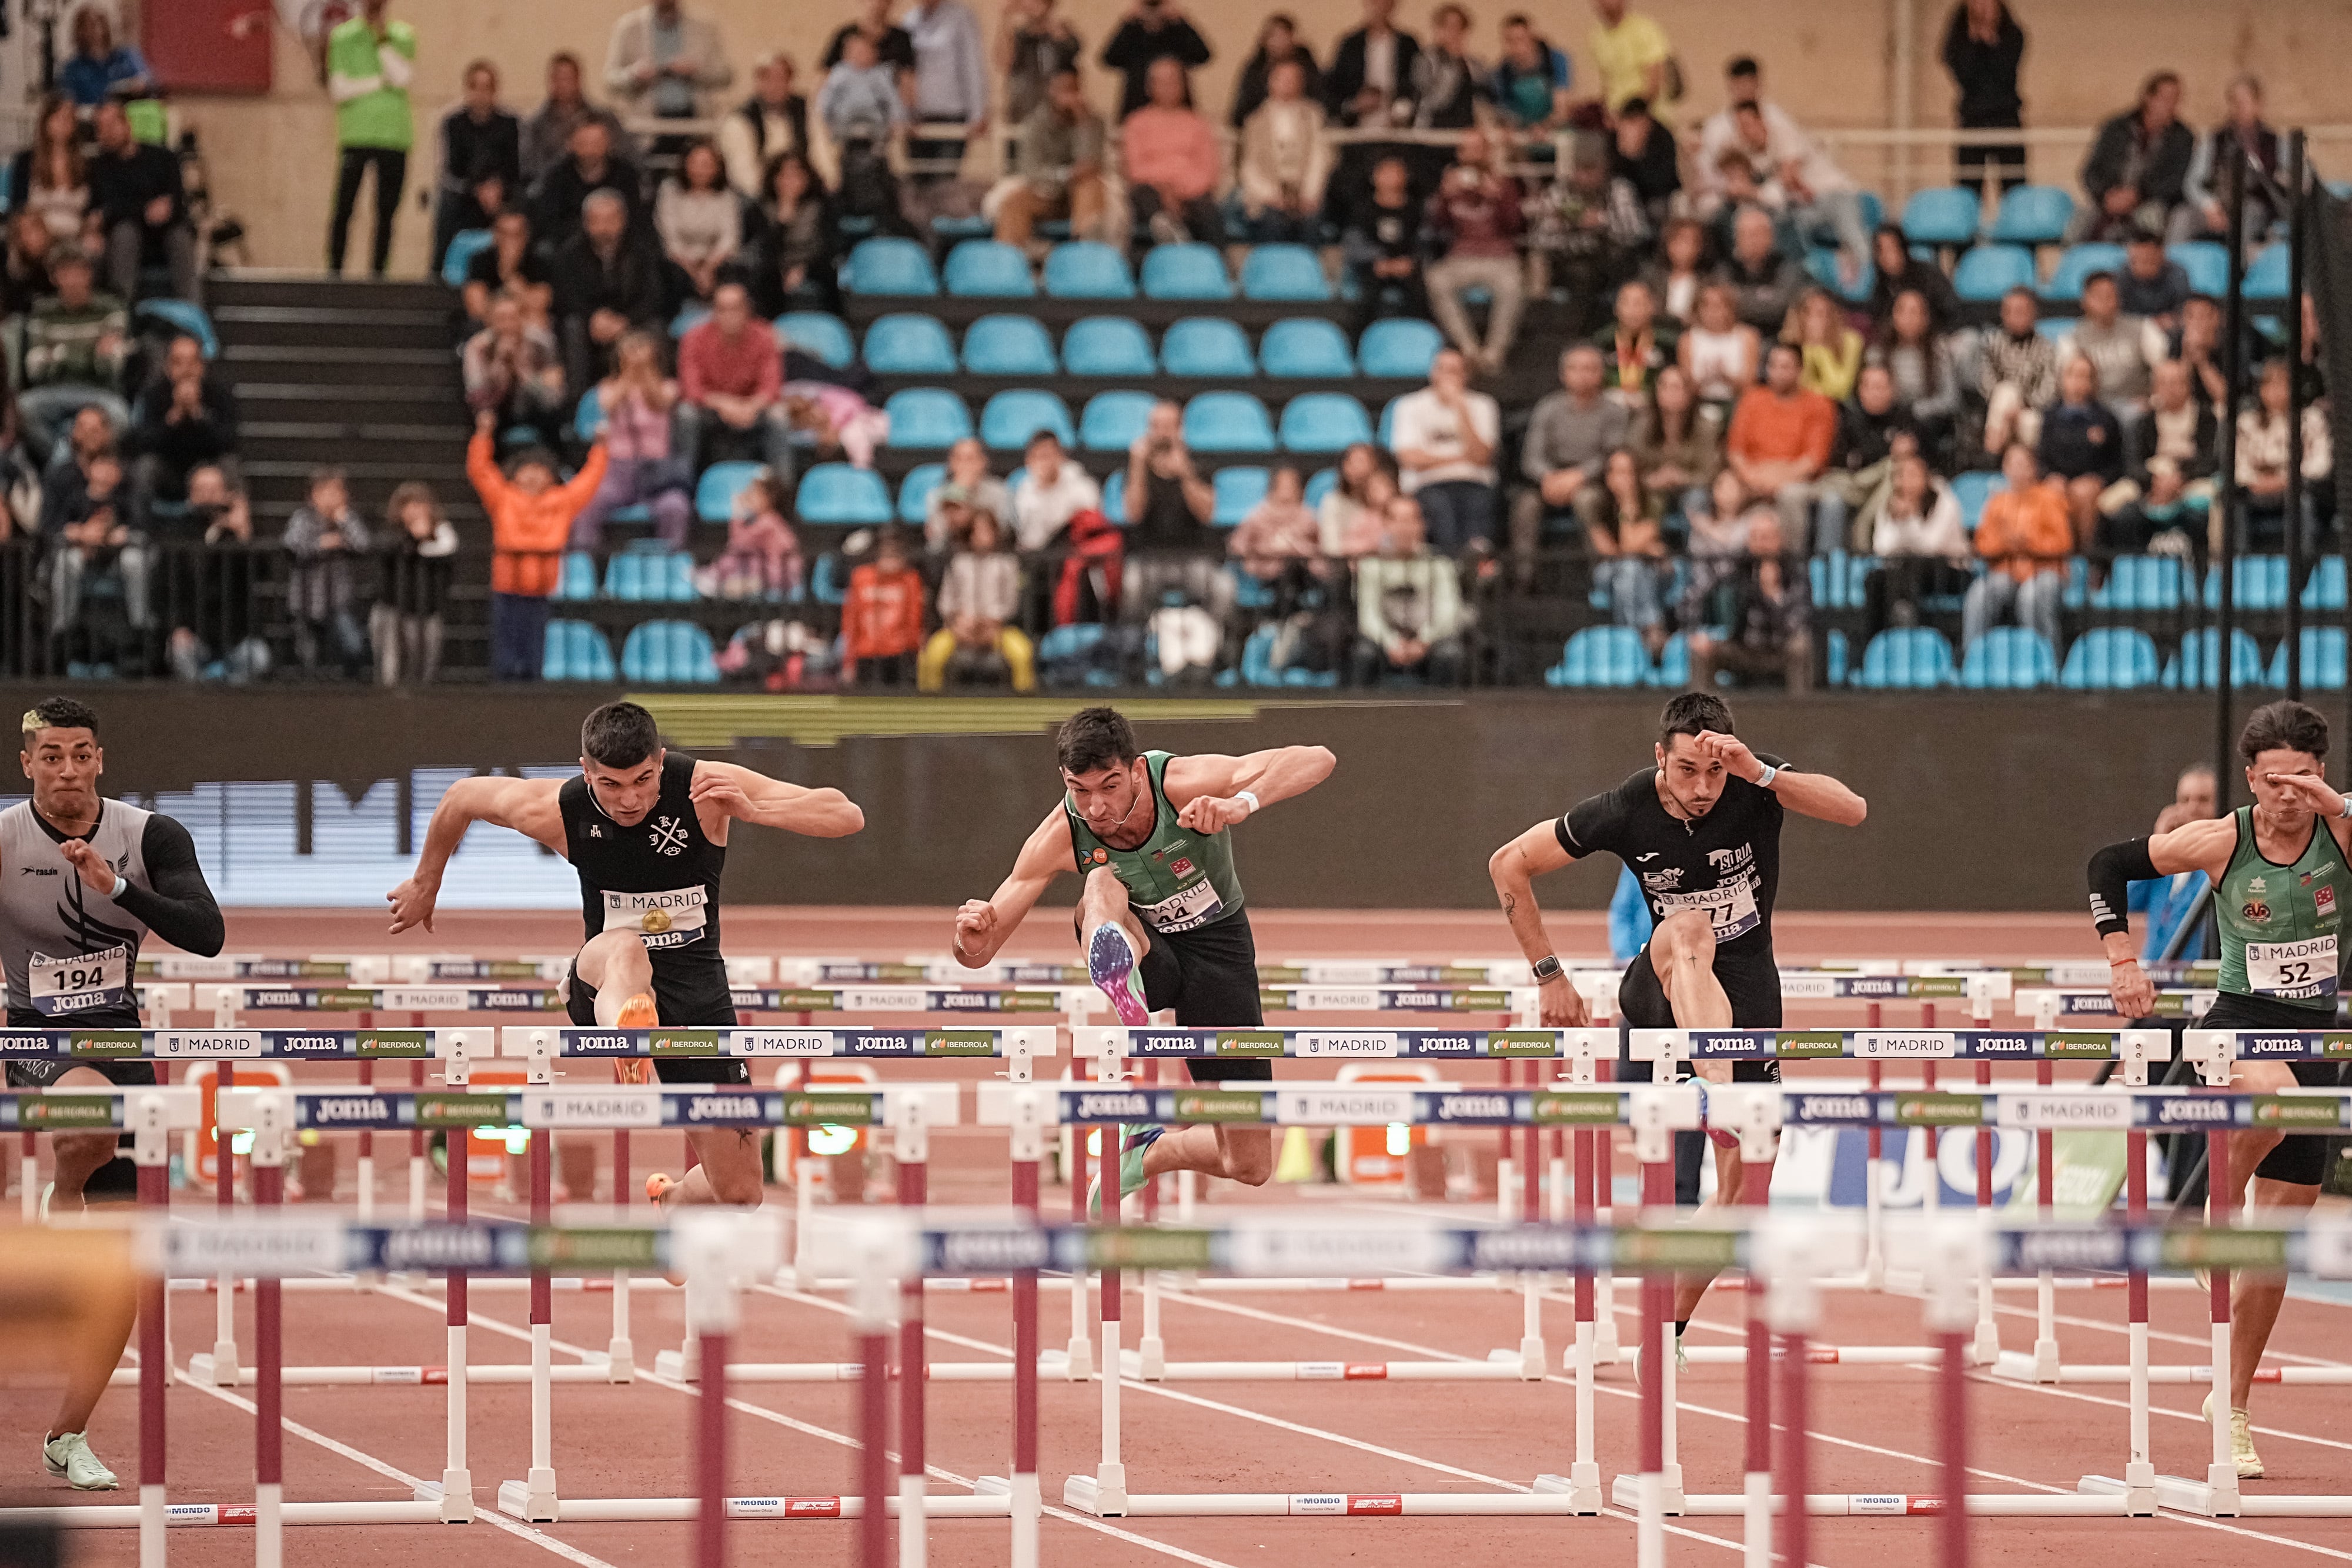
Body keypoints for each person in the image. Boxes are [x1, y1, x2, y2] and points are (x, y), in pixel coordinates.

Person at [1487, 690, 1867, 1371]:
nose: (1701, 788)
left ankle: (1668, 1330)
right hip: (1659, 983)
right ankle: (1712, 1086)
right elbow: (1507, 862)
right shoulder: (1624, 808)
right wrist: (1550, 975)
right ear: (1659, 757)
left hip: (1749, 988)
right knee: (1687, 928)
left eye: (1713, 774)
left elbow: (1853, 810)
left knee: (1745, 1202)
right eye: (1687, 771)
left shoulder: (1753, 781)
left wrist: (1760, 773)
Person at [390, 699, 862, 1206]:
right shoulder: (558, 809)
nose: (629, 800)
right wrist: (425, 881)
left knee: (742, 1189)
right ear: (586, 772)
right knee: (627, 948)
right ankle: (627, 1035)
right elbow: (462, 796)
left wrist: (756, 810)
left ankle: (672, 1199)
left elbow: (845, 814)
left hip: (696, 996)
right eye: (611, 785)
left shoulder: (704, 788)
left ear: (660, 760)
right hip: (603, 983)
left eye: (643, 780)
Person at [2091, 700, 2352, 1479]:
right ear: (2250, 777)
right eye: (2274, 779)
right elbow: (2107, 865)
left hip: (2318, 1036)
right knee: (2267, 1098)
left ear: (2322, 773)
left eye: (2302, 778)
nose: (2286, 795)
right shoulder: (2222, 837)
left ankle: (2233, 1405)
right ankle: (2208, 1225)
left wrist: (2335, 805)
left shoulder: (2340, 830)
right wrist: (2121, 960)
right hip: (2237, 1024)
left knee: (2270, 1248)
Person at [954, 707, 1334, 1203]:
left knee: (1248, 1162)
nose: (1095, 807)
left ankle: (1150, 1153)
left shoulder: (1179, 783)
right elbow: (979, 951)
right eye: (1079, 789)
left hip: (1219, 949)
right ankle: (1119, 972)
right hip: (1145, 951)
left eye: (1109, 786)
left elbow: (1316, 758)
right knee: (1100, 880)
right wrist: (970, 933)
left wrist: (1242, 803)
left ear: (1135, 770)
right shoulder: (1062, 833)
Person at [5, 696, 226, 1493]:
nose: (68, 769)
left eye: (81, 754)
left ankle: (69, 1432)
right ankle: (63, 1190)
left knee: (131, 1267)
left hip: (124, 1037)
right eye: (52, 755)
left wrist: (118, 885)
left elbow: (208, 932)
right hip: (36, 1036)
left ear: (101, 759)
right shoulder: (4, 838)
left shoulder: (150, 834)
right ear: (27, 761)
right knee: (90, 1116)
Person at [469, 408, 608, 679]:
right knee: (504, 655)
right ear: (515, 475)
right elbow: (480, 471)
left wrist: (601, 448)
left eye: (540, 471)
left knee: (534, 655)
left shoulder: (561, 502)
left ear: (551, 476)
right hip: (507, 586)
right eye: (526, 470)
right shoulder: (503, 497)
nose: (533, 476)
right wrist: (483, 435)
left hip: (540, 589)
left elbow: (589, 482)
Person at [1514, 343, 1630, 584]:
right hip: (1552, 479)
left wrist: (1579, 476)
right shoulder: (1548, 408)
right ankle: (1524, 577)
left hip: (1596, 481)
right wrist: (1549, 478)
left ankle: (1602, 576)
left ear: (1601, 374)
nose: (1582, 375)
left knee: (1586, 500)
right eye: (1575, 369)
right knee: (1526, 504)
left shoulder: (1614, 411)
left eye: (1589, 369)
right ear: (1563, 374)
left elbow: (1612, 456)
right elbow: (1532, 457)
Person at [574, 330, 692, 550]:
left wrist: (646, 371)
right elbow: (608, 404)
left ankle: (668, 565)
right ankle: (585, 566)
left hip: (657, 471)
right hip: (617, 469)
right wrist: (628, 374)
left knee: (676, 507)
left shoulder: (669, 386)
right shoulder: (608, 387)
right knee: (589, 503)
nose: (636, 354)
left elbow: (661, 401)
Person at [325, 0, 416, 279]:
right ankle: (335, 270)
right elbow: (339, 89)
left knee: (386, 211)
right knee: (344, 207)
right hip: (357, 135)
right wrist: (378, 83)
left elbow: (401, 78)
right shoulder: (341, 37)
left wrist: (381, 40)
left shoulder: (403, 35)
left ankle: (379, 272)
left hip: (394, 136)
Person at [1422, 129, 1525, 375]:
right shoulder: (1451, 182)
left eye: (1478, 149)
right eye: (1467, 149)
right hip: (1461, 257)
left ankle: (1493, 353)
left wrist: (1497, 197)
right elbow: (1437, 227)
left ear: (1487, 153)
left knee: (1513, 287)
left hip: (1500, 257)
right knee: (1436, 280)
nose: (1472, 155)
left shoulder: (1504, 183)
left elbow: (1516, 226)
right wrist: (1444, 198)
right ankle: (1468, 349)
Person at [18, 247, 131, 469]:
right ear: (54, 277)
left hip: (99, 391)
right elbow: (35, 368)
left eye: (79, 271)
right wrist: (91, 353)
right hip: (54, 389)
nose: (73, 279)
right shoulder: (42, 311)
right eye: (65, 272)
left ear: (90, 274)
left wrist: (58, 354)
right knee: (22, 409)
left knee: (121, 416)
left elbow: (112, 365)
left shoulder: (111, 308)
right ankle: (65, 464)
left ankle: (80, 464)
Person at [1523, 134, 1649, 326]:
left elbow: (1637, 232)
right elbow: (1538, 240)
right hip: (1569, 261)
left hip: (1610, 260)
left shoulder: (1618, 190)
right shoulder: (1559, 192)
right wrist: (1562, 225)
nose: (1584, 177)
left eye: (1590, 169)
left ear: (1604, 168)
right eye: (1579, 169)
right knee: (1568, 273)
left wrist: (1602, 221)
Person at [2096, 356, 2216, 557]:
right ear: (2155, 387)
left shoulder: (2207, 419)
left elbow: (2212, 460)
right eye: (2165, 383)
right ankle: (2104, 568)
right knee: (2107, 503)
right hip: (2150, 481)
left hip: (2192, 480)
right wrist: (2155, 481)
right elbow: (2133, 463)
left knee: (2220, 505)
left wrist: (2180, 478)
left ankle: (2215, 566)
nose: (2171, 389)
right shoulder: (2142, 422)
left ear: (2188, 386)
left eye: (2177, 383)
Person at [550, 189, 665, 396]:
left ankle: (654, 402)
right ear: (586, 223)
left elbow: (653, 296)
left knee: (655, 328)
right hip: (589, 323)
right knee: (572, 326)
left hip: (631, 320)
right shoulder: (569, 255)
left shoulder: (642, 252)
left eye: (611, 220)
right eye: (597, 221)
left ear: (623, 220)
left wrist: (626, 321)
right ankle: (578, 405)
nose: (604, 227)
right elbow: (565, 297)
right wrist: (593, 318)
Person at [1389, 345, 1502, 557]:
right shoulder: (1409, 405)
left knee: (1480, 505)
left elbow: (1481, 457)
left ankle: (1475, 568)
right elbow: (1409, 458)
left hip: (1474, 483)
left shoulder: (1483, 405)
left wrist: (1461, 409)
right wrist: (1460, 457)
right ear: (1433, 372)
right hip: (1427, 484)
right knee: (1440, 509)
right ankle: (1450, 569)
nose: (1447, 376)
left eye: (1455, 370)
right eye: (1442, 369)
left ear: (1466, 375)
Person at [674, 282, 793, 482]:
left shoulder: (765, 336)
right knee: (686, 413)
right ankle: (682, 486)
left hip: (752, 408)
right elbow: (691, 388)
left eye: (735, 309)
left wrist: (749, 406)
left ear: (747, 310)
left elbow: (771, 387)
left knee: (779, 415)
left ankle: (782, 491)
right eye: (722, 310)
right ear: (714, 312)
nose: (729, 316)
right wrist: (725, 404)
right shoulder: (693, 338)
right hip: (711, 409)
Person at [1725, 341, 1835, 554]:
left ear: (1800, 370)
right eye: (1773, 366)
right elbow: (1736, 452)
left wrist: (1776, 480)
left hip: (1800, 483)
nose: (1778, 373)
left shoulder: (1819, 404)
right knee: (1726, 491)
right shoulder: (1752, 400)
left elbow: (1813, 460)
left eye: (1786, 367)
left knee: (1790, 495)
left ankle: (1792, 564)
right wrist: (1753, 477)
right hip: (1754, 480)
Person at [1962, 442, 2070, 654]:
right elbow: (1983, 544)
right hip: (2006, 570)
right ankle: (1971, 660)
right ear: (2004, 469)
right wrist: (2006, 543)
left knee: (2031, 596)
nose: (2017, 469)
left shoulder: (2050, 497)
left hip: (2045, 570)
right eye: (2012, 463)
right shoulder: (1997, 502)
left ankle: (2045, 660)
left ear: (2033, 468)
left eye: (2023, 464)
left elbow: (2063, 543)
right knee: (1979, 593)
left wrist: (2028, 542)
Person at [87, 101, 198, 307]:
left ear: (127, 124)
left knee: (181, 237)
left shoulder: (163, 158)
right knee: (124, 234)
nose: (107, 133)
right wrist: (145, 211)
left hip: (166, 230)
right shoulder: (100, 167)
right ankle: (121, 314)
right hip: (124, 235)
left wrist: (139, 210)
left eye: (111, 125)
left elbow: (177, 203)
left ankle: (193, 317)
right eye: (101, 128)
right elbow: (107, 211)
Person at [1352, 494, 1466, 684]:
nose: (1404, 528)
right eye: (1397, 520)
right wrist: (1391, 643)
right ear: (1386, 525)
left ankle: (1446, 712)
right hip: (1387, 644)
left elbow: (1448, 613)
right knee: (1364, 654)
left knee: (1451, 654)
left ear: (1422, 525)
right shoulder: (1371, 566)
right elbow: (1369, 616)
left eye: (1411, 520)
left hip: (1429, 642)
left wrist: (1423, 641)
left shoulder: (1440, 565)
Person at [129, 334, 238, 529]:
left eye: (192, 362)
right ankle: (141, 536)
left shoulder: (219, 393)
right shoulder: (154, 394)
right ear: (168, 367)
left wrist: (199, 415)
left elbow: (228, 441)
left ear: (202, 366)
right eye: (179, 363)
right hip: (170, 469)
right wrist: (174, 418)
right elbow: (143, 443)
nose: (186, 370)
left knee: (231, 467)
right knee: (145, 469)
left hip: (208, 465)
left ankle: (238, 533)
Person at [995, 66, 1109, 250]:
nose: (1068, 96)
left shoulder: (1093, 123)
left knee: (1089, 186)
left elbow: (1090, 164)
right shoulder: (1035, 124)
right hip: (1047, 193)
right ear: (1051, 90)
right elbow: (1032, 171)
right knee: (1014, 202)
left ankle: (1086, 254)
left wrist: (1082, 121)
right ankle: (1009, 262)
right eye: (1062, 89)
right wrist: (1067, 174)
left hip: (1080, 196)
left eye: (1073, 89)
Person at [1862, 448, 1970, 640]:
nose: (1907, 481)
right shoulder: (1890, 503)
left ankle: (1911, 637)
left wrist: (1910, 520)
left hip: (1949, 571)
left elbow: (1932, 547)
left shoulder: (1945, 500)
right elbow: (1882, 547)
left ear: (1927, 477)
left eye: (1913, 474)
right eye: (1902, 475)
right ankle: (1874, 647)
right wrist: (1898, 520)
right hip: (1905, 570)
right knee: (1874, 579)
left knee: (1913, 569)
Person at [921, 510, 1035, 690]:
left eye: (986, 530)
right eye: (977, 531)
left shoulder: (1007, 564)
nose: (981, 536)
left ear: (995, 533)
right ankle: (928, 704)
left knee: (1022, 653)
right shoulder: (959, 562)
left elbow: (1011, 604)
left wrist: (992, 622)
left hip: (998, 629)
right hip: (960, 628)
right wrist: (958, 622)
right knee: (933, 654)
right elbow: (946, 601)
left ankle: (1025, 703)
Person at [2076, 71, 2194, 243]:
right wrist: (2106, 195)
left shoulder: (2183, 137)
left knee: (2152, 219)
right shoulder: (2115, 129)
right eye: (2166, 99)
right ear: (2148, 98)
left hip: (2151, 203)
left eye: (2176, 100)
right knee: (2079, 223)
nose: (2172, 106)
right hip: (2108, 199)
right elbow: (2091, 172)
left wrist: (2138, 195)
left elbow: (2175, 181)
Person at [1816, 362, 1919, 553]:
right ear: (1860, 390)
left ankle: (1864, 536)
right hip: (1852, 485)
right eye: (1869, 387)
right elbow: (1842, 462)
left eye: (1881, 387)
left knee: (1895, 468)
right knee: (1832, 502)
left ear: (1892, 389)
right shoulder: (1849, 417)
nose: (1875, 393)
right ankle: (1828, 568)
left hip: (1887, 489)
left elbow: (1923, 458)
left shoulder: (1905, 417)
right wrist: (1889, 450)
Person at [433, 60, 523, 274]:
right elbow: (449, 171)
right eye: (476, 87)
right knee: (447, 202)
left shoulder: (511, 124)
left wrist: (498, 189)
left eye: (487, 88)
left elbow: (516, 167)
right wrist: (477, 189)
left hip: (504, 194)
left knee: (523, 204)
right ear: (468, 89)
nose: (481, 94)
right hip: (464, 193)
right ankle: (440, 273)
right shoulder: (453, 124)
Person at [1122, 58, 1222, 246]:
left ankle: (1217, 268)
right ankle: (1168, 234)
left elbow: (1209, 171)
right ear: (1149, 87)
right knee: (1143, 195)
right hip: (1152, 192)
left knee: (1209, 210)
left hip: (1191, 194)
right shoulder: (1136, 123)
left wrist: (1180, 191)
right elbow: (1135, 170)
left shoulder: (1198, 124)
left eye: (1173, 81)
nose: (1168, 88)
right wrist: (1165, 188)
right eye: (1161, 82)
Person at [2234, 357, 2331, 554]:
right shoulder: (2246, 423)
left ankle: (2304, 561)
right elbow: (2238, 466)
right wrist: (2256, 481)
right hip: (2257, 489)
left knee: (2304, 501)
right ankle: (2239, 561)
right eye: (2270, 384)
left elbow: (2321, 464)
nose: (2276, 391)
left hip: (2299, 488)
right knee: (2231, 502)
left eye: (2283, 383)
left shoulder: (2312, 419)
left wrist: (2287, 480)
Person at [283, 467, 373, 678]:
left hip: (337, 602)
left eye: (336, 492)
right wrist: (321, 544)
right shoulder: (302, 518)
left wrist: (345, 519)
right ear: (312, 495)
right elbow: (291, 544)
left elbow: (364, 544)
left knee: (354, 646)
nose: (330, 498)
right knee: (308, 658)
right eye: (324, 492)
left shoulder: (348, 519)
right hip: (305, 601)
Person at [2178, 75, 2282, 248]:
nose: (2240, 107)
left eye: (2245, 101)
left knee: (2249, 214)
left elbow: (2288, 180)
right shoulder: (2213, 140)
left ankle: (2239, 271)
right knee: (2182, 217)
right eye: (2235, 101)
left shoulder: (2277, 142)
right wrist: (2210, 207)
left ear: (2258, 104)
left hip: (2255, 207)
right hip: (2216, 204)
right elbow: (2193, 182)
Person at [372, 482, 458, 686]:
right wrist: (413, 538)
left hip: (428, 609)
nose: (415, 512)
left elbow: (448, 553)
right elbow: (387, 549)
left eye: (420, 505)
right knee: (391, 662)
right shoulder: (390, 532)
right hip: (393, 608)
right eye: (409, 506)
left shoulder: (442, 534)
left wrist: (427, 539)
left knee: (428, 657)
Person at [1586, 447, 1670, 656]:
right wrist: (1627, 507)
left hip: (1650, 571)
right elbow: (1611, 550)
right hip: (1608, 572)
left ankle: (1631, 639)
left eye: (1629, 472)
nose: (1624, 479)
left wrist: (1629, 504)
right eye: (1618, 472)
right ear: (1608, 477)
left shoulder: (1653, 502)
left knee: (1631, 570)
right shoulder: (1597, 505)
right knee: (1629, 567)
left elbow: (1634, 543)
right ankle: (1653, 628)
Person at [604, 0, 734, 132]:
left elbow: (726, 77)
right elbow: (609, 81)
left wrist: (697, 71)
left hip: (696, 125)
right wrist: (634, 75)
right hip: (645, 127)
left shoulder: (705, 27)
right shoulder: (628, 27)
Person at [1237, 61, 1331, 244]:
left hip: (1304, 192)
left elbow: (1320, 158)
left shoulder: (1314, 116)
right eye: (1283, 79)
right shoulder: (1255, 121)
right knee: (1272, 222)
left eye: (1294, 79)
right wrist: (1271, 195)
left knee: (1312, 221)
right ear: (1270, 82)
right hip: (1268, 196)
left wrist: (1309, 194)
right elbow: (1249, 166)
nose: (1288, 83)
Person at [2039, 353, 2126, 549]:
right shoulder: (2050, 417)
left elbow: (2117, 463)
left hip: (2092, 481)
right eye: (2072, 375)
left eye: (2084, 376)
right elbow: (2042, 458)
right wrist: (2050, 476)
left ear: (2093, 382)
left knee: (2083, 492)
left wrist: (2099, 479)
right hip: (2059, 479)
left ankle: (2088, 557)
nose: (2077, 382)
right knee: (2054, 491)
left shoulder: (2106, 419)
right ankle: (2059, 557)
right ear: (2062, 379)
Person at [1938, 0, 2025, 191]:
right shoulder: (1958, 40)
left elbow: (2006, 74)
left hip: (2006, 117)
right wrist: (1974, 43)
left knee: (2014, 184)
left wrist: (1993, 42)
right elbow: (1964, 77)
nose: (1983, 8)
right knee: (1968, 184)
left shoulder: (2013, 35)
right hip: (1973, 117)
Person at [744, 152, 843, 316]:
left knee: (829, 273)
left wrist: (803, 268)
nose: (789, 182)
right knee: (764, 275)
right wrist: (782, 221)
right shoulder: (760, 209)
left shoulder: (822, 207)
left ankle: (833, 323)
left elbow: (830, 246)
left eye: (796, 176)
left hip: (813, 264)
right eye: (784, 176)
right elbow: (764, 250)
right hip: (775, 265)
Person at [1869, 287, 1962, 460]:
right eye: (1902, 311)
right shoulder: (1878, 353)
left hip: (1927, 421)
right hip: (1889, 418)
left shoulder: (1938, 351)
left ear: (1925, 317)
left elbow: (1951, 399)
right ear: (1894, 316)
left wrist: (1917, 410)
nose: (1909, 319)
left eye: (1915, 312)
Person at [905, 0, 991, 185]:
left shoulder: (961, 17)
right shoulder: (909, 20)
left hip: (953, 116)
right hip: (918, 119)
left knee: (944, 183)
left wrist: (978, 113)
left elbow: (972, 66)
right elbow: (904, 72)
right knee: (919, 184)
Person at [1337, 154, 1426, 332]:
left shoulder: (1417, 210)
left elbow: (1425, 242)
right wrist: (1378, 261)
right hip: (1373, 268)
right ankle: (1356, 346)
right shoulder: (1362, 210)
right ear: (1375, 177)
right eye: (1386, 173)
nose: (1391, 179)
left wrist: (1411, 262)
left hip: (1408, 268)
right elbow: (1354, 245)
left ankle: (1423, 341)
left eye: (1396, 173)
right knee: (1364, 303)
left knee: (1423, 298)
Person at [530, 119, 649, 253]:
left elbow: (634, 216)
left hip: (620, 240)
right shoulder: (557, 176)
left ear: (609, 143)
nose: (591, 150)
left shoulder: (626, 174)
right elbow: (549, 219)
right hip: (567, 242)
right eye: (584, 143)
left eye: (597, 143)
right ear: (570, 144)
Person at [523, 52, 633, 185]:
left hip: (604, 188)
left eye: (568, 78)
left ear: (578, 79)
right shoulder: (537, 125)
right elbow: (532, 167)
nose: (563, 84)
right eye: (558, 78)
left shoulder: (605, 118)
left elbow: (627, 155)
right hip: (556, 191)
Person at [1124, 397, 1216, 551]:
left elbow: (1206, 515)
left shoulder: (1198, 466)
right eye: (1155, 426)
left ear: (1180, 429)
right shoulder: (1136, 470)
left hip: (1192, 553)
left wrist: (1185, 473)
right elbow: (1134, 515)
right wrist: (1138, 466)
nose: (1161, 434)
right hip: (1146, 554)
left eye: (1167, 427)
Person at [1228, 463, 1323, 612]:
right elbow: (1238, 544)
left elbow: (1322, 545)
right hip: (1266, 575)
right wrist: (1261, 552)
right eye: (1282, 486)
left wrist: (1297, 547)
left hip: (1302, 574)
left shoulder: (1308, 516)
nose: (1286, 491)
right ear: (1273, 489)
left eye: (1291, 486)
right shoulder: (1259, 515)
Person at [655, 139, 741, 302]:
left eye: (707, 164)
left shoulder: (727, 196)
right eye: (695, 163)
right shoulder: (670, 191)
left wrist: (708, 269)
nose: (701, 170)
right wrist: (693, 271)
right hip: (680, 260)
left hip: (716, 261)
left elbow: (729, 238)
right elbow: (670, 236)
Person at [1629, 363, 1720, 516]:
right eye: (1664, 387)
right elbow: (1630, 464)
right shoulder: (1642, 423)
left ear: (1689, 393)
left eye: (1676, 387)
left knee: (1697, 498)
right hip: (1650, 486)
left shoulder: (1706, 427)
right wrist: (1650, 480)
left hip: (1691, 489)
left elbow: (1711, 473)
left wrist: (1682, 477)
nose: (1670, 393)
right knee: (1646, 498)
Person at [1100, 0, 1212, 122]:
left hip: (1178, 114)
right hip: (1135, 110)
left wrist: (1180, 21)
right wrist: (1128, 22)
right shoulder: (1133, 32)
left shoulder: (1177, 31)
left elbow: (1203, 55)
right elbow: (1109, 59)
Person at [1980, 285, 2059, 457]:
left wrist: (2023, 405)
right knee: (2006, 391)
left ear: (2034, 314)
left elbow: (2049, 389)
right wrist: (2009, 406)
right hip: (1998, 407)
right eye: (2010, 311)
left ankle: (1993, 452)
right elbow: (1986, 383)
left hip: (2031, 410)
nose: (2015, 317)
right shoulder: (1991, 345)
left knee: (2029, 422)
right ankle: (1995, 450)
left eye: (2021, 311)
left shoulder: (2047, 348)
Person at [842, 529, 928, 686]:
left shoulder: (909, 579)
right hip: (866, 651)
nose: (889, 554)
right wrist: (849, 659)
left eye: (894, 550)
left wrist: (913, 650)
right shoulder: (861, 577)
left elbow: (914, 619)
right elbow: (851, 619)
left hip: (899, 654)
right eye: (885, 549)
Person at [700, 467, 801, 600]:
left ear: (769, 498)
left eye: (754, 491)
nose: (747, 495)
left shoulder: (769, 522)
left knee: (732, 578)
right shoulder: (761, 520)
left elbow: (738, 543)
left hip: (778, 578)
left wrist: (737, 513)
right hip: (762, 574)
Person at [719, 55, 808, 200]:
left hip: (803, 190)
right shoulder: (739, 120)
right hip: (759, 195)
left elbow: (822, 157)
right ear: (758, 82)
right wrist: (770, 194)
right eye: (768, 79)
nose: (775, 85)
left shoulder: (807, 112)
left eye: (781, 79)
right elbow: (743, 173)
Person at [1324, 0, 1419, 129]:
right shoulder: (1350, 45)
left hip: (1397, 127)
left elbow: (1415, 83)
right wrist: (1355, 104)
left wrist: (1402, 110)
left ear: (1392, 5)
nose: (1379, 7)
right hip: (1358, 127)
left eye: (1384, 2)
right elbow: (1335, 86)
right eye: (1375, 2)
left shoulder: (1408, 45)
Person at [12, 95, 91, 247]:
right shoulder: (26, 161)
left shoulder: (86, 164)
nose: (63, 124)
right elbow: (18, 206)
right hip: (38, 233)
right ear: (46, 121)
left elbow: (92, 208)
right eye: (58, 118)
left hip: (76, 234)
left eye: (68, 119)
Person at [1712, 205, 1802, 338]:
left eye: (1758, 233)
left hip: (1775, 338)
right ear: (1736, 239)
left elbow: (1779, 306)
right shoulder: (1725, 268)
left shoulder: (1787, 267)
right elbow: (1724, 305)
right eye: (1746, 234)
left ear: (1771, 237)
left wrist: (1740, 298)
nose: (1752, 241)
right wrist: (1763, 297)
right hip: (1733, 337)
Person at [461, 207, 554, 330]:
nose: (510, 241)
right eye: (504, 234)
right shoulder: (480, 260)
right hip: (491, 326)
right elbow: (476, 308)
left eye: (516, 234)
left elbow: (541, 304)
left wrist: (510, 278)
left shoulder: (538, 262)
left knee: (539, 321)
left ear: (526, 236)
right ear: (495, 235)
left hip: (525, 329)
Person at [1586, 0, 1678, 123]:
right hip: (1617, 121)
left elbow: (1654, 81)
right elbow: (1607, 82)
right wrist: (1607, 113)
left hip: (1648, 119)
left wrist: (1633, 115)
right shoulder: (1597, 37)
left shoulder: (1645, 30)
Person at [1677, 280, 1761, 414]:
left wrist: (1726, 377)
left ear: (1730, 309)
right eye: (1706, 306)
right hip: (1698, 404)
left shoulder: (1747, 337)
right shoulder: (1688, 339)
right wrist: (1707, 378)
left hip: (1737, 403)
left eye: (1718, 306)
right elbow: (1685, 387)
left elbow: (1751, 386)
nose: (1712, 312)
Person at [1011, 429, 1102, 551]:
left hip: (1074, 552)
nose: (1045, 463)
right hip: (1038, 555)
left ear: (1061, 456)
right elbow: (1030, 536)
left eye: (1049, 455)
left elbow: (1092, 521)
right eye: (1040, 457)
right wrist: (1043, 489)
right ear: (1029, 461)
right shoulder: (1024, 490)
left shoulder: (1081, 483)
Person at [1000, 0, 1084, 130]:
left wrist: (1049, 23)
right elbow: (1004, 63)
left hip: (1056, 119)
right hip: (1021, 114)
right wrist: (1006, 18)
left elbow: (1073, 49)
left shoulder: (1061, 33)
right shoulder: (1019, 37)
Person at [1228, 14, 1321, 129]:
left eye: (1283, 36)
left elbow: (1320, 99)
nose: (1278, 42)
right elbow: (1240, 113)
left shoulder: (1308, 67)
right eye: (1274, 36)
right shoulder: (1254, 70)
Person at [1866, 223, 1960, 336]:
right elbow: (1879, 321)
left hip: (1935, 338)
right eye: (1881, 250)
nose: (1887, 255)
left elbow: (1953, 311)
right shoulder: (1880, 286)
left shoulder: (1929, 276)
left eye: (1892, 248)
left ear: (1903, 248)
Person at [1489, 14, 1571, 138]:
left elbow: (1562, 106)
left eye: (1520, 39)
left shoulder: (1555, 61)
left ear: (1532, 38)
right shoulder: (1503, 72)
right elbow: (1504, 111)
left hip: (1556, 135)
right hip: (1525, 138)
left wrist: (1545, 127)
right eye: (1510, 41)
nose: (1516, 48)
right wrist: (1513, 126)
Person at [1595, 280, 1674, 404]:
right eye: (1627, 303)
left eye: (1639, 304)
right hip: (1609, 407)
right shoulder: (1602, 341)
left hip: (1653, 407)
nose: (1633, 310)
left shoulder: (1668, 343)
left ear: (1652, 307)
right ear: (1616, 308)